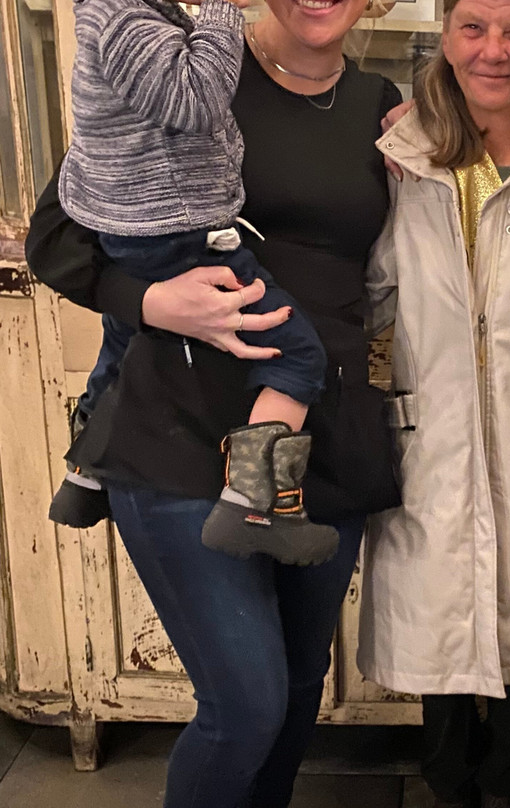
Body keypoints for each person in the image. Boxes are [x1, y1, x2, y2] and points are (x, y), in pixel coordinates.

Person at [24, 0, 401, 802]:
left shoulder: (381, 104)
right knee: (246, 707)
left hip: (322, 434)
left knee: (297, 687)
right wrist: (152, 302)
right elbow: (55, 238)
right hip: (178, 433)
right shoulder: (189, 73)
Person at [357, 0, 510, 804]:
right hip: (430, 440)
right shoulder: (401, 161)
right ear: (447, 39)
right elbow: (365, 295)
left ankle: (509, 772)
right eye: (473, 28)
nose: (492, 50)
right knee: (442, 642)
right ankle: (448, 782)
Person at [54, 0, 337, 562]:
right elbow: (196, 101)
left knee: (121, 339)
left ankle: (85, 470)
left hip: (147, 233)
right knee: (298, 353)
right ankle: (255, 506)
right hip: (178, 235)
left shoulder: (131, 19)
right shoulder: (128, 19)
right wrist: (221, 8)